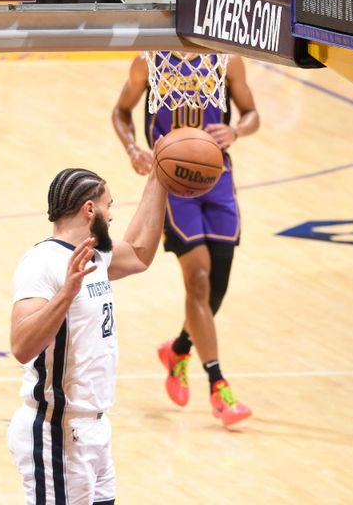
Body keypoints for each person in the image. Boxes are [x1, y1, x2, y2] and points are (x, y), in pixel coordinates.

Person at [111, 52, 259, 427]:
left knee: (217, 289)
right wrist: (133, 150)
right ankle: (218, 386)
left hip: (218, 179)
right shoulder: (148, 61)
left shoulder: (228, 60)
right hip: (173, 186)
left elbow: (252, 114)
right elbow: (120, 112)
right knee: (199, 281)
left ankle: (179, 349)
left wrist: (236, 131)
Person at [8, 166, 168, 504]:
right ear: (90, 209)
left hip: (92, 429)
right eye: (109, 205)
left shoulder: (94, 257)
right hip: (56, 432)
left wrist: (160, 176)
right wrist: (66, 294)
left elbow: (139, 252)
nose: (111, 216)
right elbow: (21, 346)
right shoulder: (41, 262)